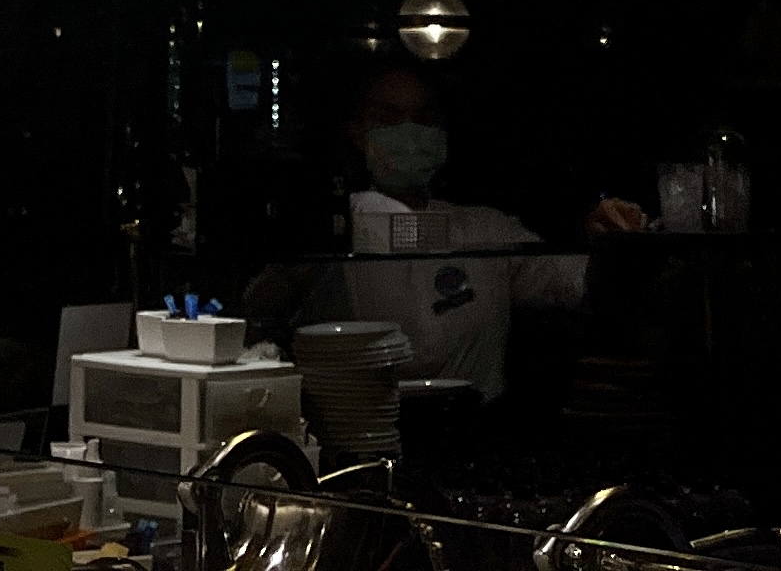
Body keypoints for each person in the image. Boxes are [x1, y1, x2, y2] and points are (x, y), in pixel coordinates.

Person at [270, 63, 646, 402]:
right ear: (357, 131)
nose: (410, 131)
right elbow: (262, 315)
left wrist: (611, 239)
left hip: (474, 433)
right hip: (353, 434)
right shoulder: (332, 231)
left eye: (423, 117)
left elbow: (577, 283)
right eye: (390, 117)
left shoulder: (487, 228)